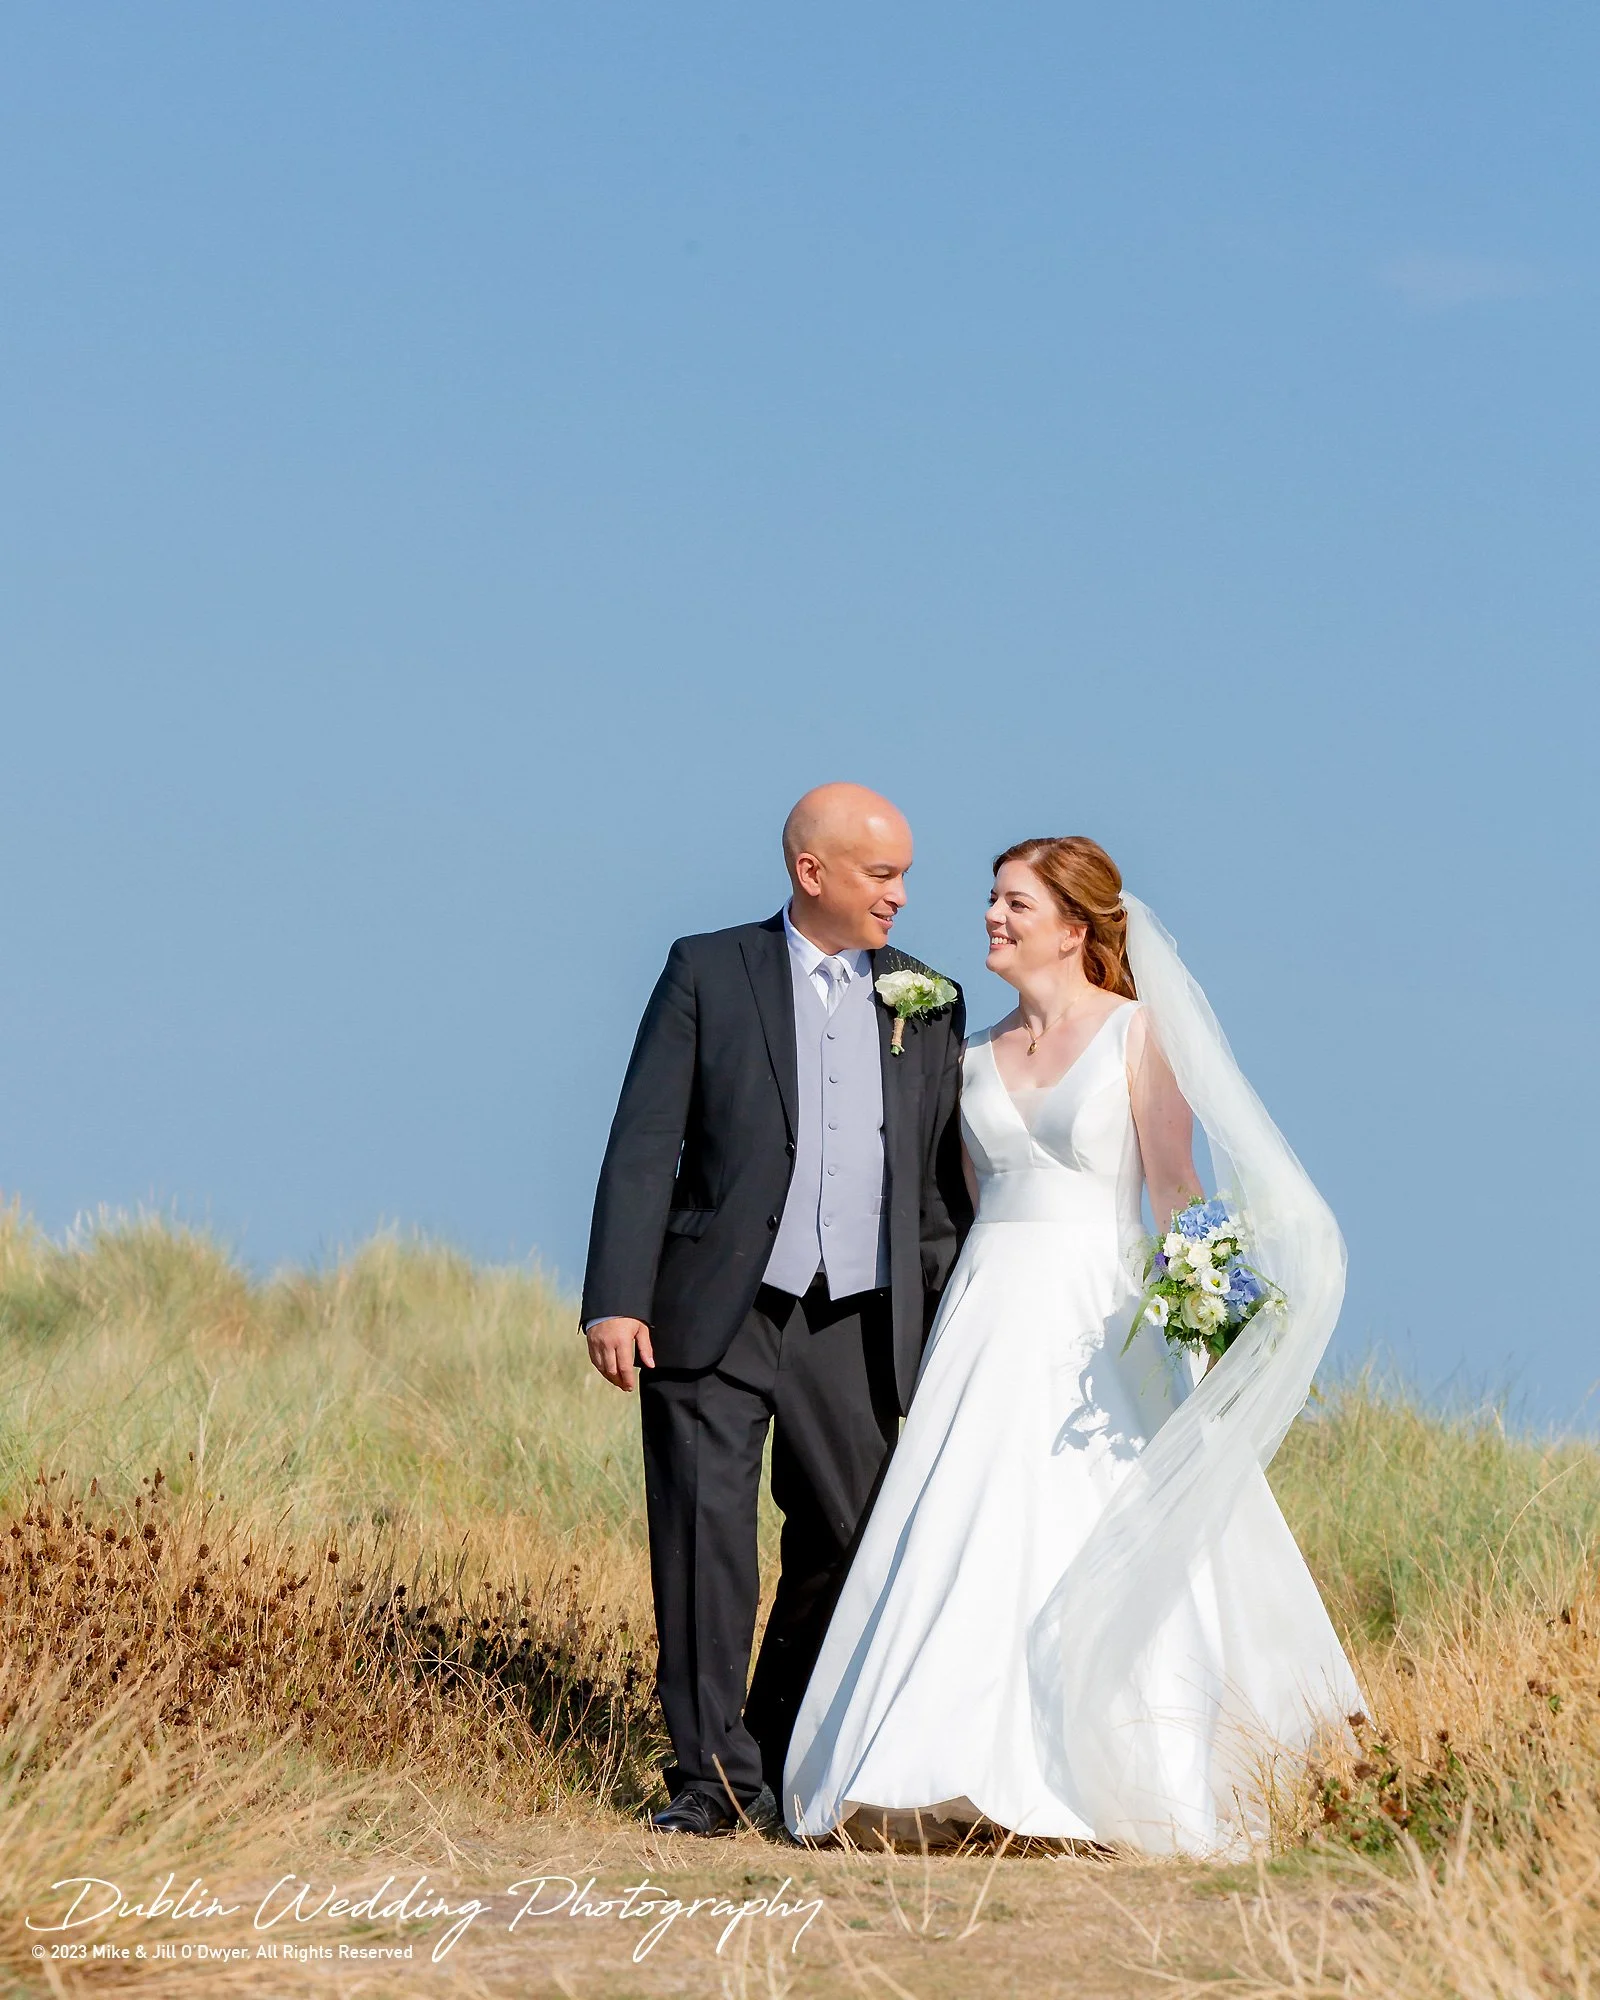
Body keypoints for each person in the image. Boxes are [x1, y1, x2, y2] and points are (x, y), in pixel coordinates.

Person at [783, 834, 1363, 1853]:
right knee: (970, 1524)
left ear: (1074, 926)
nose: (991, 918)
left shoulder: (1138, 1036)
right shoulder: (966, 1055)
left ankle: (1113, 1775)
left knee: (1099, 1514)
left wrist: (1208, 1319)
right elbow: (959, 1202)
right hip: (988, 1313)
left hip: (1100, 1314)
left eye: (1014, 902)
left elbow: (1177, 1187)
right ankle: (931, 1768)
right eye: (993, 900)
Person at [581, 782, 972, 1835]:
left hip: (855, 1316)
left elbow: (936, 1188)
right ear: (813, 872)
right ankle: (712, 1782)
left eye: (903, 874)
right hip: (711, 1303)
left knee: (852, 1534)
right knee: (705, 1538)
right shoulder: (707, 969)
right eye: (881, 873)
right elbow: (642, 1139)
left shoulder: (926, 995)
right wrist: (616, 1295)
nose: (900, 893)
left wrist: (946, 1325)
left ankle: (783, 1748)